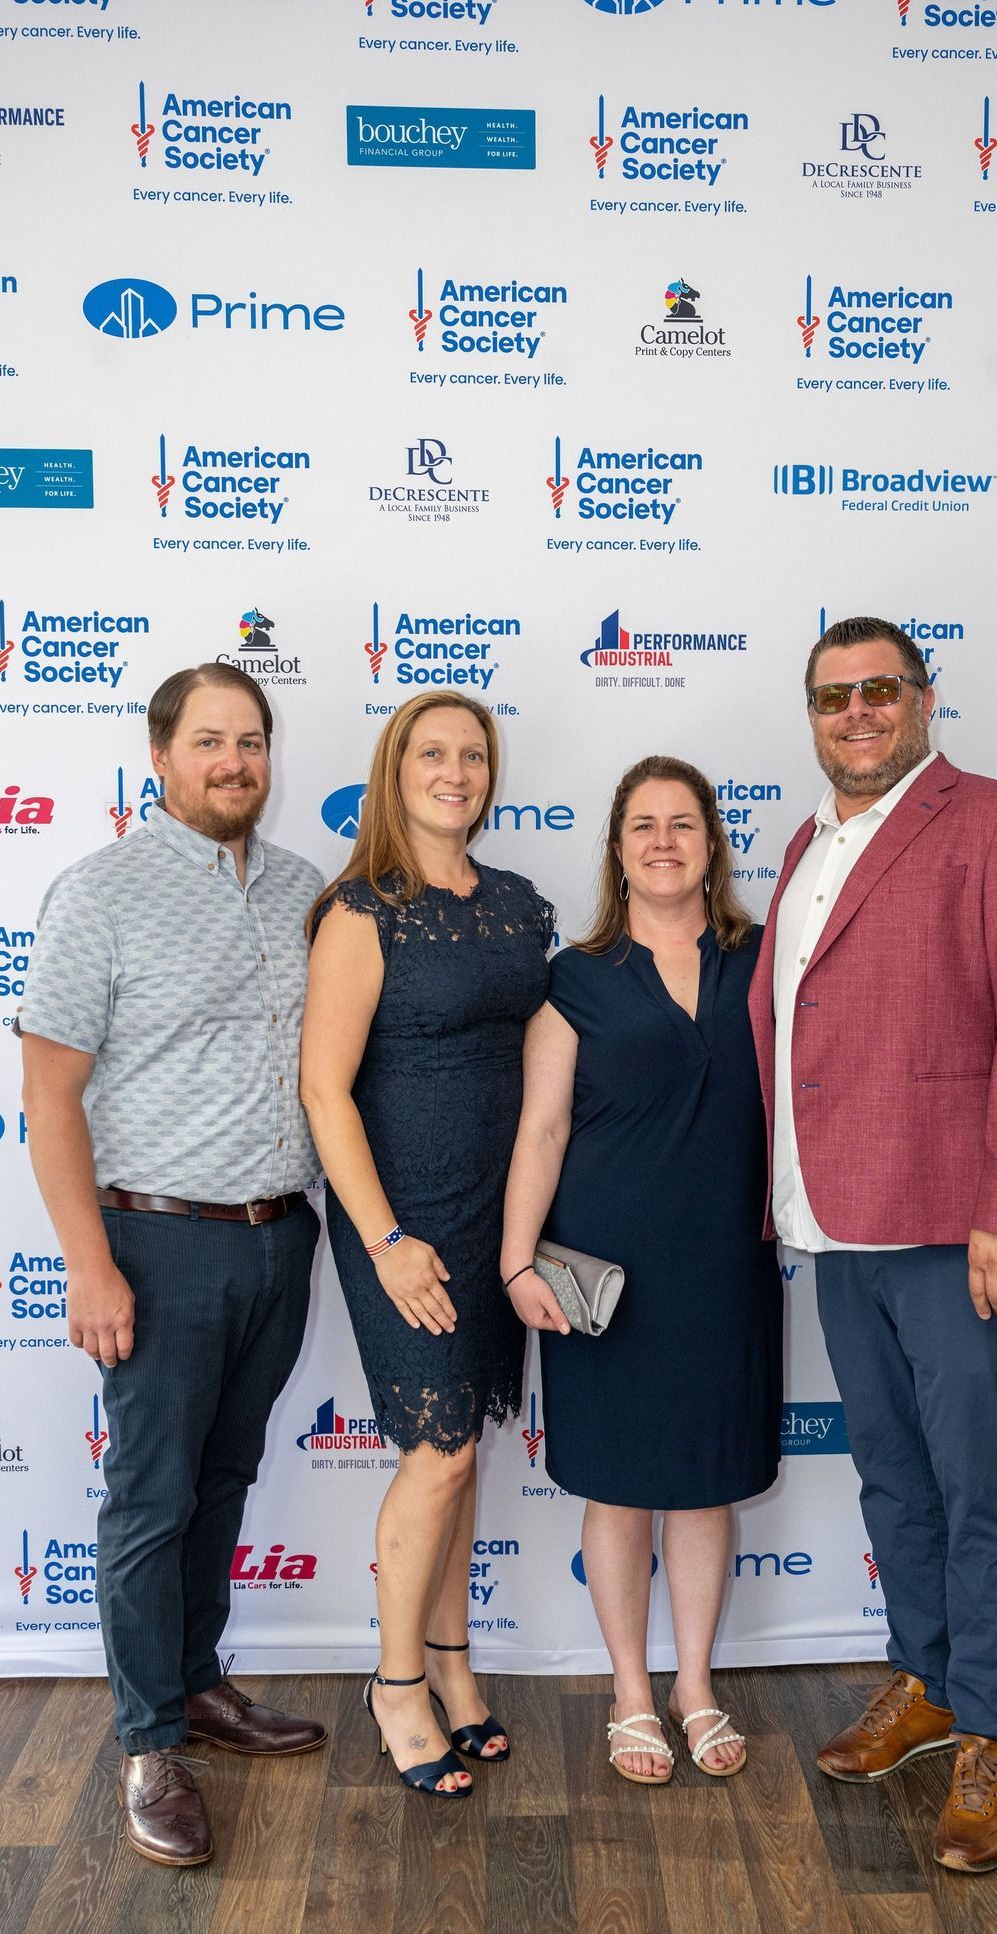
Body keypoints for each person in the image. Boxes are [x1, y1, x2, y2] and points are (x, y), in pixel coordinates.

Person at [748, 615, 997, 1871]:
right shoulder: (805, 842)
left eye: (880, 690)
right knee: (895, 1479)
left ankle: (996, 1727)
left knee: (980, 1485)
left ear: (923, 698)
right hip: (836, 1222)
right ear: (813, 714)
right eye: (835, 695)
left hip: (960, 1226)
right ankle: (930, 1681)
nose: (858, 712)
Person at [18, 661, 327, 1869]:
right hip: (153, 1238)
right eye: (209, 741)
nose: (234, 761)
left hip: (278, 1234)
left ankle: (199, 1681)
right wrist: (90, 1266)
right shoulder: (98, 891)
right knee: (150, 1497)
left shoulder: (305, 888)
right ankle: (151, 1741)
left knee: (226, 1473)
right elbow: (48, 1098)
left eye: (251, 740)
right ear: (160, 756)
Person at [504, 757, 782, 1785]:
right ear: (617, 850)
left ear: (713, 842)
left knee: (705, 1489)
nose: (663, 841)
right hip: (602, 1273)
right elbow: (540, 1128)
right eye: (641, 826)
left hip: (726, 1263)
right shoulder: (575, 975)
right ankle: (630, 1689)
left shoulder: (764, 960)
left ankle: (694, 1682)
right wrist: (514, 1259)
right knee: (620, 1490)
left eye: (682, 823)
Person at [300, 691, 553, 1799]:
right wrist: (389, 1237)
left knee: (466, 1451)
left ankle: (452, 1663)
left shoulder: (517, 904)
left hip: (499, 1223)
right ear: (394, 770)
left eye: (474, 754)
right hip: (401, 1222)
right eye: (432, 753)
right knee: (439, 1449)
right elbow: (323, 1087)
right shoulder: (363, 910)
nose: (456, 770)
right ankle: (395, 1680)